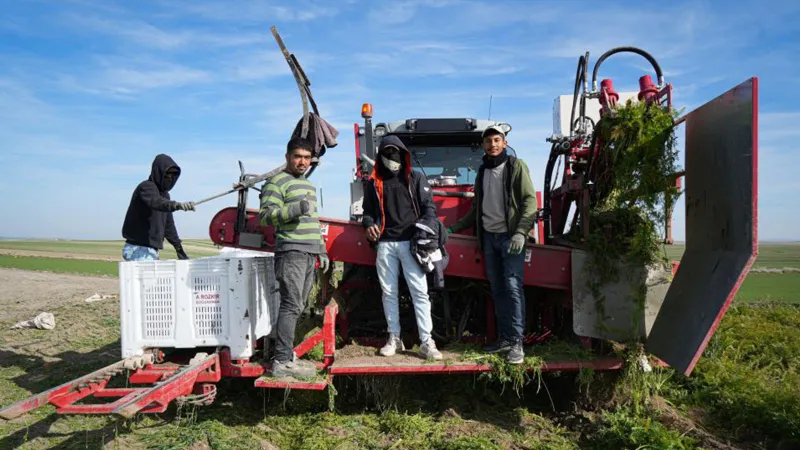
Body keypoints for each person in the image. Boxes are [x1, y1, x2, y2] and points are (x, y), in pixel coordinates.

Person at [448, 125, 538, 364]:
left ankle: (517, 343)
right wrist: (451, 229)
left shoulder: (517, 167)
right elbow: (477, 209)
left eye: (497, 140)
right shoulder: (482, 172)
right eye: (488, 141)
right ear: (483, 146)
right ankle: (505, 339)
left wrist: (521, 233)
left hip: (511, 239)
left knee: (512, 286)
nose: (493, 144)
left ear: (504, 143)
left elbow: (530, 202)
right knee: (497, 288)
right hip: (489, 238)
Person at [362, 135, 443, 361]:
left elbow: (429, 209)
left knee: (419, 292)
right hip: (385, 244)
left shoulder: (415, 178)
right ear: (380, 155)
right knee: (389, 293)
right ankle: (394, 339)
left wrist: (425, 231)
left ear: (403, 153)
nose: (392, 157)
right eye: (387, 152)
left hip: (411, 244)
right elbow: (368, 212)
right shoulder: (374, 183)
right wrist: (368, 225)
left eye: (395, 152)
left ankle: (427, 341)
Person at [260, 137, 330, 378]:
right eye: (298, 156)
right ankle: (281, 361)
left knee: (299, 305)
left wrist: (321, 248)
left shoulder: (307, 186)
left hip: (310, 252)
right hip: (291, 251)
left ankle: (287, 356)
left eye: (307, 158)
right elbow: (266, 217)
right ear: (287, 157)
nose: (303, 162)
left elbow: (313, 221)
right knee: (291, 305)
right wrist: (295, 209)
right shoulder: (276, 183)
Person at [122, 154, 196, 262]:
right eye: (167, 176)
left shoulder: (165, 196)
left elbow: (168, 226)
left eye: (172, 176)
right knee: (148, 279)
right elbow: (156, 202)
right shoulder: (146, 187)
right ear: (158, 172)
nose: (169, 179)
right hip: (138, 249)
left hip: (149, 250)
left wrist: (179, 249)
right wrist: (177, 205)